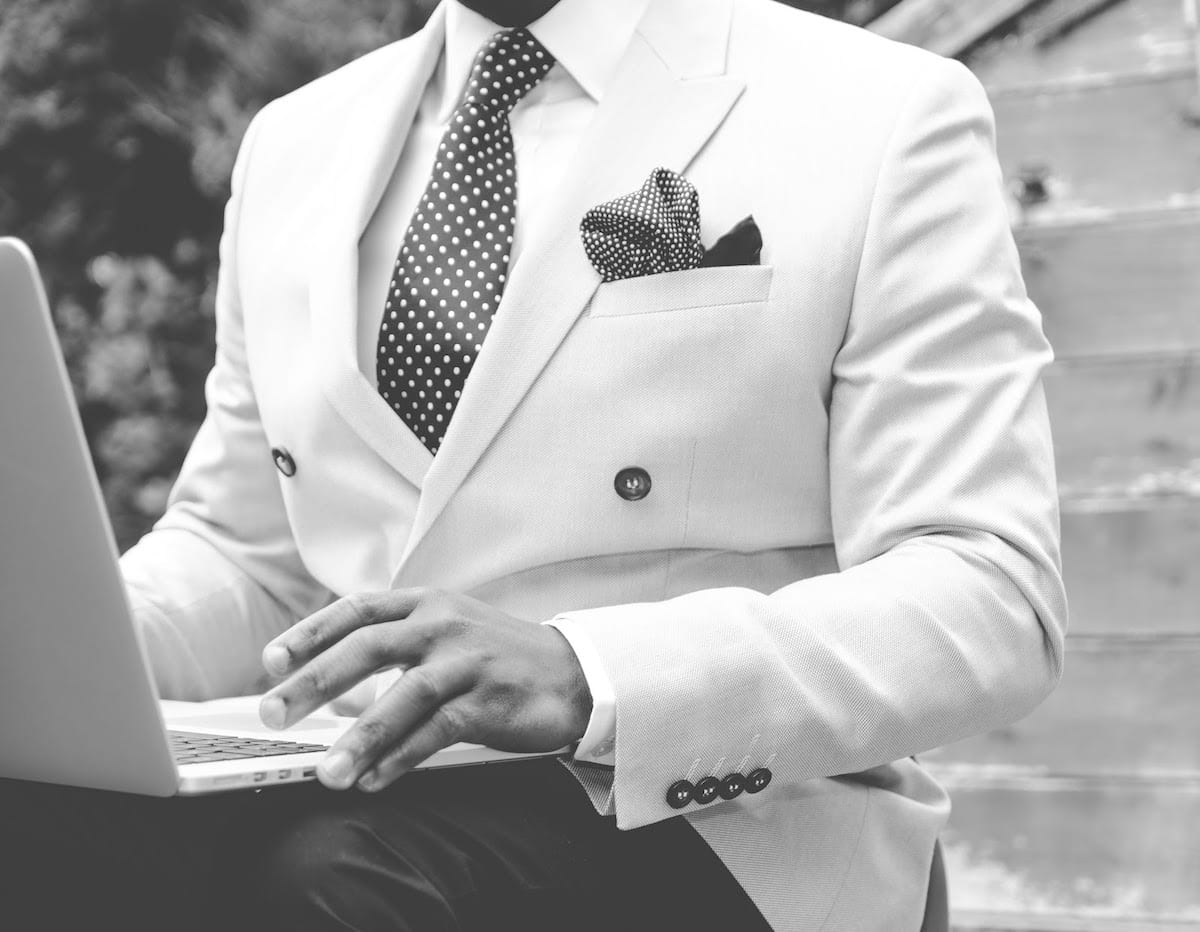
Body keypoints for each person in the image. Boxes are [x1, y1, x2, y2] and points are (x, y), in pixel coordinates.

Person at [0, 0, 1067, 929]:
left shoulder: (881, 110)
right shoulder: (294, 142)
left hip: (727, 818)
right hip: (365, 773)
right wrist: (52, 647)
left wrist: (584, 672)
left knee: (334, 881)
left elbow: (986, 593)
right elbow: (250, 557)